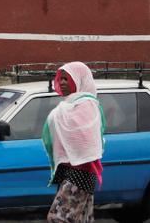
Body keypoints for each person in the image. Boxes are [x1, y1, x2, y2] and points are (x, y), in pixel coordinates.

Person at [42, 62, 105, 223]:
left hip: (81, 171)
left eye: (66, 79)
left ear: (78, 80)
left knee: (58, 218)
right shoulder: (69, 106)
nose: (62, 83)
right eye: (60, 79)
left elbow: (84, 139)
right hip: (70, 171)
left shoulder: (86, 105)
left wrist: (58, 115)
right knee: (82, 219)